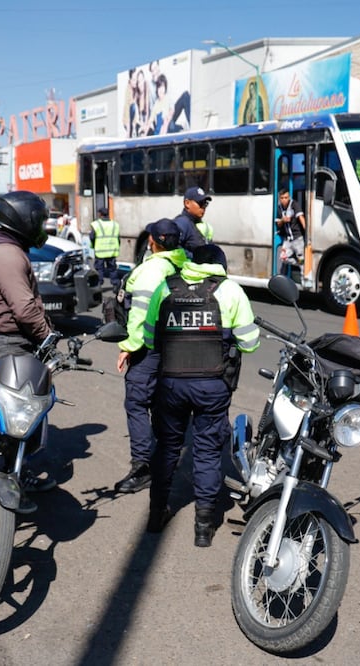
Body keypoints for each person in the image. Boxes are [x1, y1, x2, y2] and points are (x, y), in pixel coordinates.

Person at [143, 243, 259, 545]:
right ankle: (203, 528)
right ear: (220, 266)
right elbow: (249, 342)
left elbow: (149, 338)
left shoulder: (165, 288)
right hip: (213, 385)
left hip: (171, 384)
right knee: (207, 451)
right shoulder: (230, 291)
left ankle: (156, 515)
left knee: (168, 447)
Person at [0, 191, 58, 494]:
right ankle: (10, 476)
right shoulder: (7, 254)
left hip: (11, 339)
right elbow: (24, 309)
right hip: (9, 342)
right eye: (38, 221)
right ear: (23, 219)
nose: (42, 228)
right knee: (19, 412)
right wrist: (47, 336)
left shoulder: (6, 248)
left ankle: (14, 470)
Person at [114, 218, 189, 493]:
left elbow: (140, 313)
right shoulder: (186, 263)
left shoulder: (151, 270)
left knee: (136, 402)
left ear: (152, 242)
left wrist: (128, 347)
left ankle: (142, 465)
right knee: (165, 400)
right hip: (181, 344)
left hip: (152, 345)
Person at [172, 186, 211, 254]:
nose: (203, 207)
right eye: (200, 203)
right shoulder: (182, 223)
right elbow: (174, 249)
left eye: (205, 204)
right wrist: (193, 258)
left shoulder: (199, 223)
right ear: (187, 203)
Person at [276, 189, 306, 275]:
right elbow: (278, 224)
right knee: (283, 258)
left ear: (289, 197)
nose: (284, 200)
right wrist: (283, 220)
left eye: (286, 197)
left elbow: (301, 218)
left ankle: (305, 281)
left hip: (298, 238)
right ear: (279, 199)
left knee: (301, 260)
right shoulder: (279, 208)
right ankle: (299, 264)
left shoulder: (294, 204)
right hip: (287, 240)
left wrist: (307, 232)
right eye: (282, 198)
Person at [89, 206, 121, 288]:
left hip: (100, 251)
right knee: (113, 269)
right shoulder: (115, 224)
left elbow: (92, 237)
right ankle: (115, 285)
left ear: (100, 214)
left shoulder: (96, 224)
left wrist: (93, 246)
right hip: (112, 251)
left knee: (100, 269)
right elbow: (118, 238)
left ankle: (99, 285)